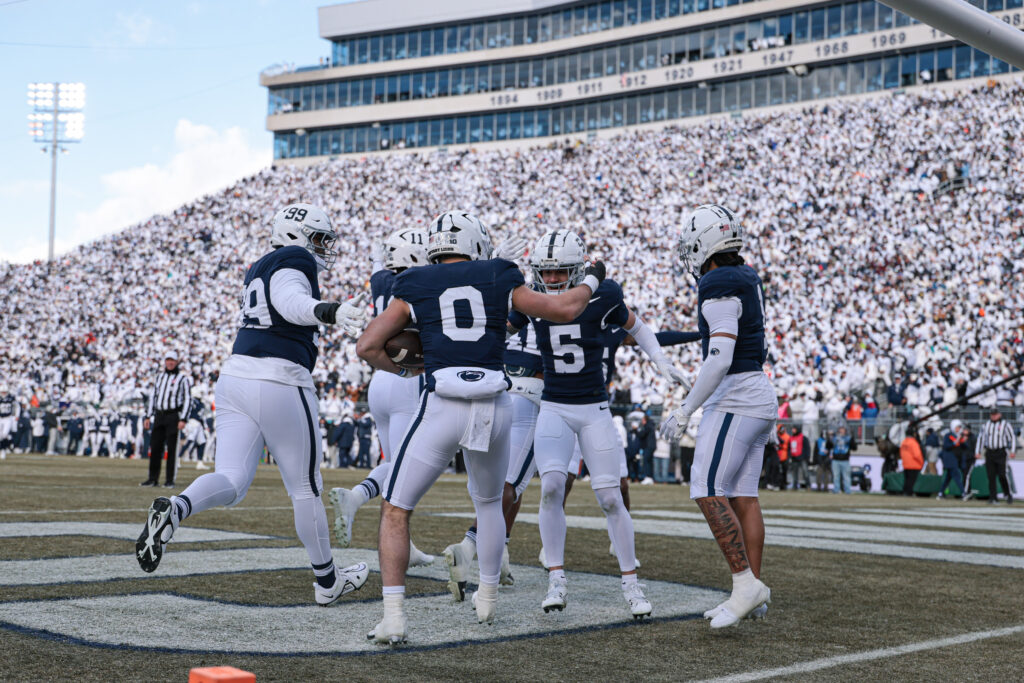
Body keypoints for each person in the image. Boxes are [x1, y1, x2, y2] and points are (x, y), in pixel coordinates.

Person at [355, 211, 602, 643]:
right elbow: (564, 308)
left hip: (442, 402)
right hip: (493, 402)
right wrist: (595, 277)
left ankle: (394, 616)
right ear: (475, 243)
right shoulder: (498, 273)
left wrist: (409, 369)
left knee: (396, 508)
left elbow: (368, 345)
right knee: (489, 503)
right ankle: (487, 595)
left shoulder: (413, 281)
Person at [134, 202, 371, 607]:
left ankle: (176, 508)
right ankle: (327, 581)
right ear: (298, 236)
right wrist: (327, 310)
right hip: (278, 378)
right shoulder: (294, 259)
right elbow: (289, 301)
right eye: (317, 238)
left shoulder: (258, 265)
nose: (321, 247)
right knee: (305, 488)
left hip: (235, 377)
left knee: (231, 480)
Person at [514, 228, 686, 620]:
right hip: (554, 405)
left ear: (577, 271)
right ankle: (556, 579)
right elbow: (498, 332)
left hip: (594, 409)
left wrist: (657, 358)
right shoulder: (531, 298)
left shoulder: (604, 294)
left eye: (561, 272)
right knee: (551, 488)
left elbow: (636, 326)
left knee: (610, 497)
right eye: (547, 272)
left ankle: (631, 583)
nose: (552, 279)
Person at [660, 204, 775, 629]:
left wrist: (686, 407)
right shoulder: (743, 275)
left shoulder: (718, 281)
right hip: (757, 393)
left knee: (707, 487)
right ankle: (752, 592)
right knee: (743, 496)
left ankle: (746, 585)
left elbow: (720, 355)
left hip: (737, 396)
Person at [328, 228, 440, 571]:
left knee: (398, 466)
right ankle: (357, 496)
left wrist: (380, 256)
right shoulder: (422, 284)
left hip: (379, 379)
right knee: (408, 466)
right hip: (408, 378)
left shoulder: (379, 281)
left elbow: (379, 266)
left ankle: (405, 546)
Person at [141, 351, 192, 487]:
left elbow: (188, 399)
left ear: (176, 362)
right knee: (155, 447)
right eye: (168, 360)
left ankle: (170, 480)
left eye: (172, 360)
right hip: (159, 415)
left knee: (172, 449)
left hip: (173, 416)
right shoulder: (159, 377)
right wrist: (148, 415)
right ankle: (152, 479)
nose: (170, 363)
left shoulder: (183, 379)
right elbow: (153, 397)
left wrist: (183, 419)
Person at [976, 407, 1016, 504]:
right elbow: (980, 439)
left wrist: (1013, 451)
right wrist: (978, 451)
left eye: (995, 414)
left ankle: (1008, 494)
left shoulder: (1006, 425)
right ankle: (993, 497)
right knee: (991, 476)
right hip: (989, 452)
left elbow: (1012, 438)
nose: (993, 416)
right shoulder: (985, 425)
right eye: (992, 414)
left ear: (999, 414)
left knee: (1003, 474)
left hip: (1001, 452)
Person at [937, 419, 967, 499]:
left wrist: (962, 441)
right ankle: (963, 493)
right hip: (950, 459)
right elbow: (946, 446)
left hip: (956, 459)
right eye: (957, 427)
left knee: (948, 478)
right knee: (957, 476)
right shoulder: (948, 435)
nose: (959, 429)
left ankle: (940, 493)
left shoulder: (959, 436)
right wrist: (954, 443)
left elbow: (965, 447)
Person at [830, 425, 856, 494]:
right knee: (836, 476)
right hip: (836, 459)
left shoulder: (848, 438)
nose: (841, 431)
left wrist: (852, 439)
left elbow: (854, 448)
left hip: (845, 460)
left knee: (846, 476)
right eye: (840, 429)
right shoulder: (835, 438)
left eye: (843, 429)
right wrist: (830, 437)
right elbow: (828, 446)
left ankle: (847, 490)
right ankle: (836, 489)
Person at [900, 428, 924, 496]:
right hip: (914, 464)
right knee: (911, 480)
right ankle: (909, 492)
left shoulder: (904, 442)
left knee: (907, 479)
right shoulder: (913, 442)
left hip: (905, 463)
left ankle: (905, 491)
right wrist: (921, 462)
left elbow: (901, 453)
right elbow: (917, 454)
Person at [787, 426, 811, 491]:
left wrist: (807, 457)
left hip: (802, 459)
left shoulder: (804, 438)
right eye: (792, 429)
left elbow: (807, 448)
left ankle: (808, 486)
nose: (793, 430)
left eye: (794, 429)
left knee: (805, 472)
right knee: (794, 474)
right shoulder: (791, 438)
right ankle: (794, 486)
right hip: (794, 458)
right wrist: (789, 457)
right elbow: (789, 449)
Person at [0, 385, 19, 459]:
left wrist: (16, 415)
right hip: (0, 418)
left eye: (5, 392)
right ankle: (4, 449)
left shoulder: (11, 398)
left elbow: (17, 406)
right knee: (0, 436)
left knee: (4, 435)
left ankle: (4, 450)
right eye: (2, 392)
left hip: (8, 418)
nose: (4, 393)